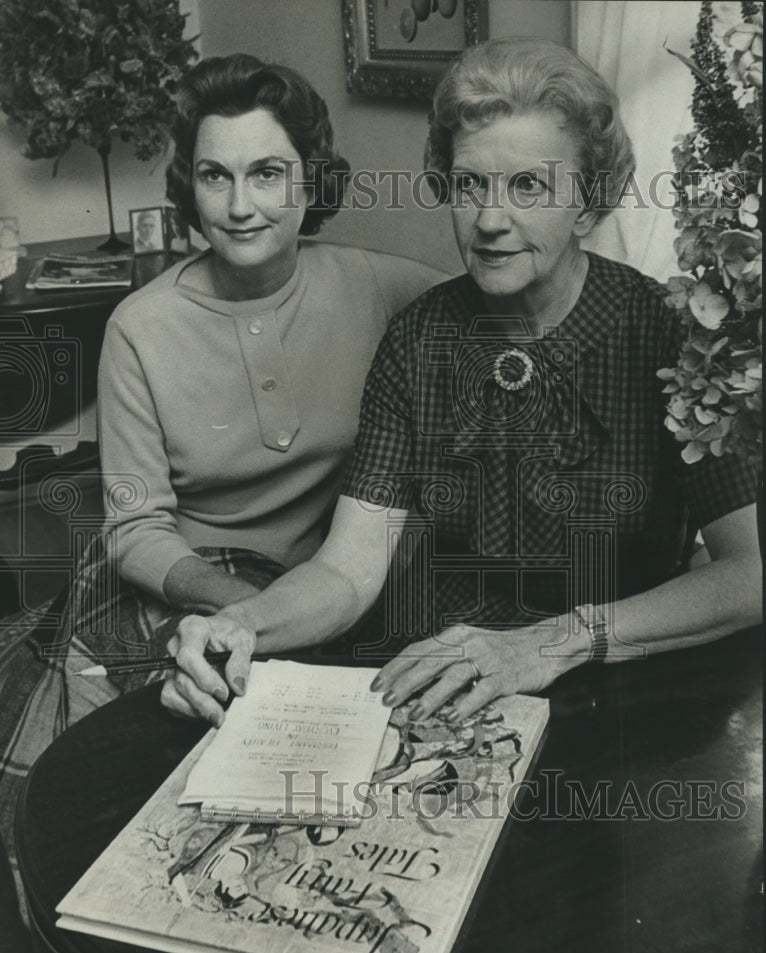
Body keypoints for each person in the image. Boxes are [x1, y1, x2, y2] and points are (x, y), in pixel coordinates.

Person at [162, 37, 761, 728]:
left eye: (528, 186)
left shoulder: (671, 334)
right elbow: (349, 571)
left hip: (616, 702)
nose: (490, 220)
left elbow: (749, 575)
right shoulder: (419, 339)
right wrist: (241, 623)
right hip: (443, 689)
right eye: (469, 184)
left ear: (590, 205)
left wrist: (549, 643)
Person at [0, 53, 443, 898]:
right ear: (188, 188)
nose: (240, 207)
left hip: (322, 589)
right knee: (75, 788)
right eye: (216, 176)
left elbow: (500, 310)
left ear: (311, 182)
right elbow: (133, 526)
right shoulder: (139, 327)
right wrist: (231, 607)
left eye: (268, 174)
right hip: (175, 581)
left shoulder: (381, 286)